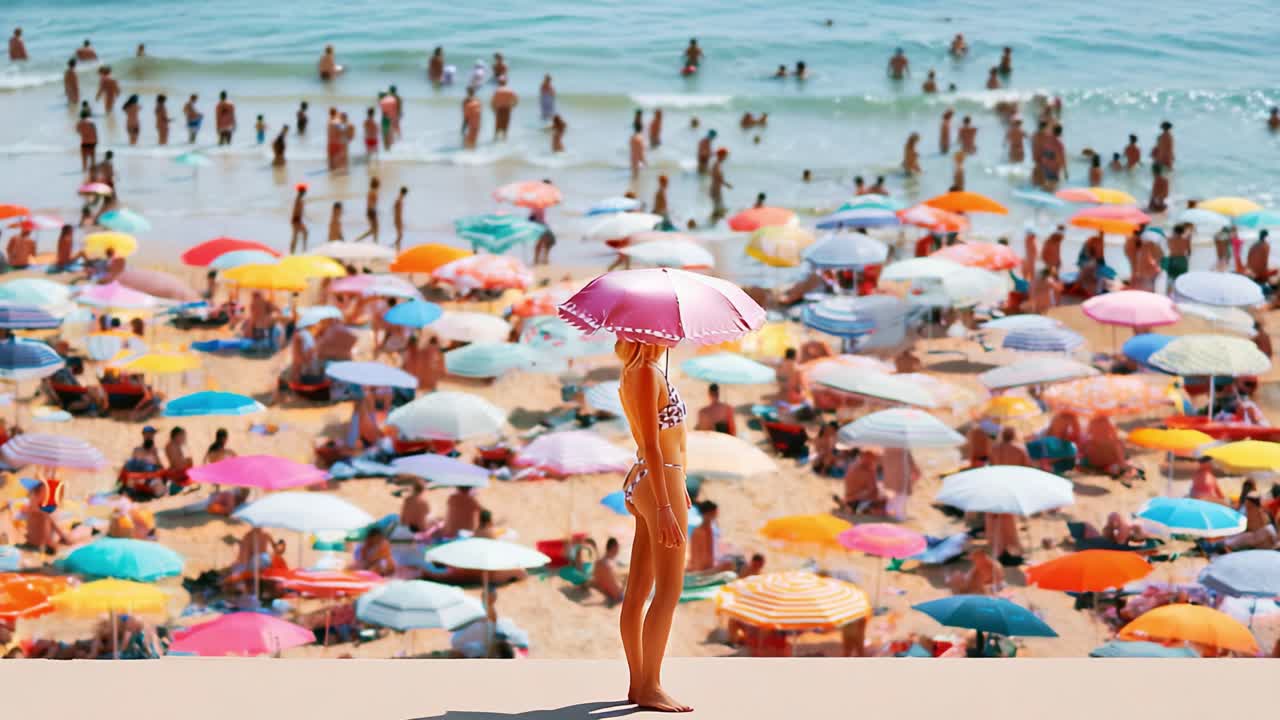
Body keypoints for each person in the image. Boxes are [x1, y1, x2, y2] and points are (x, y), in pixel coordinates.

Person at [614, 338, 693, 712]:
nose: (672, 338)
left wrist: (680, 489)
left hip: (648, 479)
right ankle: (650, 685)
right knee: (668, 590)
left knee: (639, 589)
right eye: (666, 332)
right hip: (659, 481)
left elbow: (664, 440)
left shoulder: (635, 371)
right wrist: (665, 504)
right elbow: (653, 443)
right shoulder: (645, 373)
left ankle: (638, 685)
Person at [836, 449, 881, 514]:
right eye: (873, 460)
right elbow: (871, 490)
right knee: (880, 503)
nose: (873, 462)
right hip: (859, 500)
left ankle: (847, 505)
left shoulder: (852, 467)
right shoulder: (868, 472)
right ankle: (851, 508)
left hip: (849, 497)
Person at [591, 537, 625, 605]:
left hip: (606, 593)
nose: (618, 550)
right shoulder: (608, 564)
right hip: (616, 596)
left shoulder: (599, 562)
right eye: (618, 547)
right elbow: (615, 590)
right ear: (614, 547)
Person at [354, 178, 380, 243]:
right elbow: (370, 203)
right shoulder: (373, 192)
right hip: (371, 212)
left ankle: (358, 239)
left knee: (373, 230)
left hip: (370, 211)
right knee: (375, 230)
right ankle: (359, 240)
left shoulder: (371, 191)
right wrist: (372, 212)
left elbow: (370, 203)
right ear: (376, 184)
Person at [709, 147, 731, 223]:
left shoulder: (716, 164)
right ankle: (712, 227)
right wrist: (726, 184)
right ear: (721, 155)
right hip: (715, 189)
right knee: (718, 211)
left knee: (718, 210)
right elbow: (718, 177)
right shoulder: (717, 164)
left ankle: (713, 227)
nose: (726, 157)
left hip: (715, 189)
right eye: (725, 155)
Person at [392, 186, 408, 251]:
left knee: (400, 235)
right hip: (398, 219)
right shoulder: (399, 200)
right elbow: (398, 212)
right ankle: (394, 247)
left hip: (397, 219)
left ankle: (397, 248)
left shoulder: (398, 199)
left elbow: (394, 209)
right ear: (405, 193)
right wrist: (399, 220)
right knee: (400, 235)